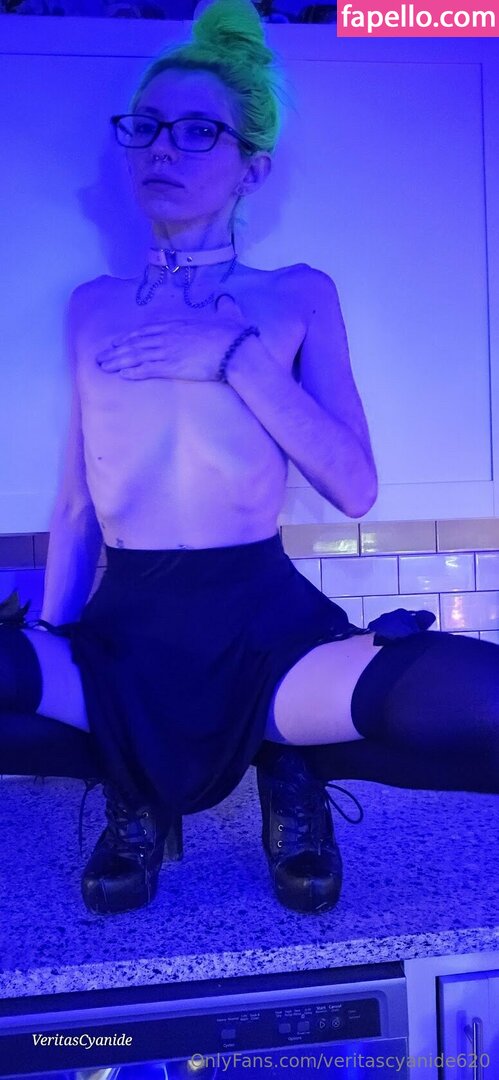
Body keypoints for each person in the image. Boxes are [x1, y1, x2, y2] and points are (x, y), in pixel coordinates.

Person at [2, 0, 498, 918]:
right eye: (146, 126)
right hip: (126, 627)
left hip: (265, 628)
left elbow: (353, 486)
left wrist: (233, 358)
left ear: (251, 167)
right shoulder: (92, 305)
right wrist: (57, 633)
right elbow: (76, 505)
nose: (162, 149)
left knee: (483, 705)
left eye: (198, 131)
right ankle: (135, 779)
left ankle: (289, 763)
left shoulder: (297, 295)